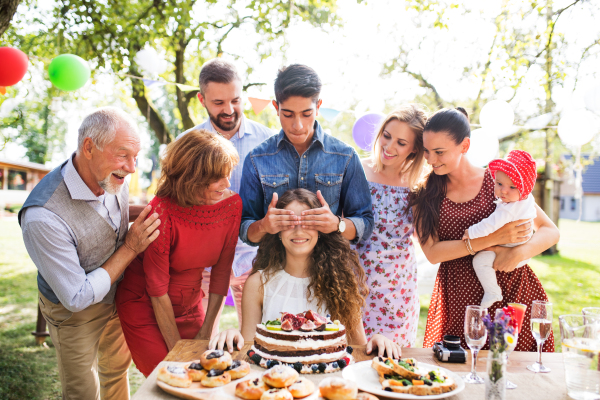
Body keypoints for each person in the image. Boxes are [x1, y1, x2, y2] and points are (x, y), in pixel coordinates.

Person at [19, 107, 161, 400]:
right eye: (124, 154)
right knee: (82, 392)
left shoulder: (110, 174)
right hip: (73, 313)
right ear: (88, 147)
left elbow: (109, 217)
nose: (132, 168)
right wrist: (132, 247)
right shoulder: (42, 217)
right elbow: (76, 297)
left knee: (116, 372)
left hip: (116, 295)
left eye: (136, 156)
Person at [410, 107, 559, 352]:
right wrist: (494, 238)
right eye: (427, 151)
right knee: (462, 373)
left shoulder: (499, 181)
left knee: (515, 375)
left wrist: (517, 253)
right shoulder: (424, 195)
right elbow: (433, 253)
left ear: (464, 146)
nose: (431, 159)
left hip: (512, 288)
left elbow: (549, 230)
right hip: (460, 297)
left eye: (439, 152)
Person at [209, 189, 402, 359]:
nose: (299, 230)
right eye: (290, 222)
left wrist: (377, 340)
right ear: (278, 231)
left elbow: (358, 348)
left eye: (308, 222)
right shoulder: (258, 283)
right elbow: (249, 350)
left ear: (321, 229)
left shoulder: (341, 281)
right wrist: (233, 335)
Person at [116, 129, 242, 376]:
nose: (227, 184)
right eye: (218, 177)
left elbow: (221, 273)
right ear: (192, 178)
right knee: (169, 376)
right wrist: (178, 352)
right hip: (146, 304)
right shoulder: (161, 210)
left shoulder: (231, 206)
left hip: (190, 304)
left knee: (201, 376)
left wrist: (206, 332)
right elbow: (156, 288)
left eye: (228, 175)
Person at [177, 59, 274, 334]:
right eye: (218, 103)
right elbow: (176, 203)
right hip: (202, 265)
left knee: (257, 343)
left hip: (255, 260)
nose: (229, 110)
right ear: (201, 99)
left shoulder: (269, 142)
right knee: (198, 341)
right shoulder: (187, 144)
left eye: (236, 100)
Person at [239, 64, 374, 249]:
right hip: (275, 270)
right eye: (288, 114)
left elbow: (365, 225)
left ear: (318, 107)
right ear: (276, 107)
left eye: (306, 114)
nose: (298, 125)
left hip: (330, 269)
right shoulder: (256, 159)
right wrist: (263, 226)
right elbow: (245, 229)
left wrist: (336, 224)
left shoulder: (345, 156)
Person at [355, 104, 427, 346]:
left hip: (398, 291)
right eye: (387, 136)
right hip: (356, 284)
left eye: (401, 142)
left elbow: (425, 238)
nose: (389, 146)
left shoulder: (417, 184)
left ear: (415, 148)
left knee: (392, 365)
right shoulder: (357, 170)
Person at [463, 150, 538, 308]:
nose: (503, 190)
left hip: (514, 249)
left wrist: (471, 232)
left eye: (512, 186)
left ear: (524, 189)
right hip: (520, 248)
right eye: (499, 184)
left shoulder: (509, 208)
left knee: (480, 261)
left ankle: (492, 291)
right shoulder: (525, 199)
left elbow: (490, 225)